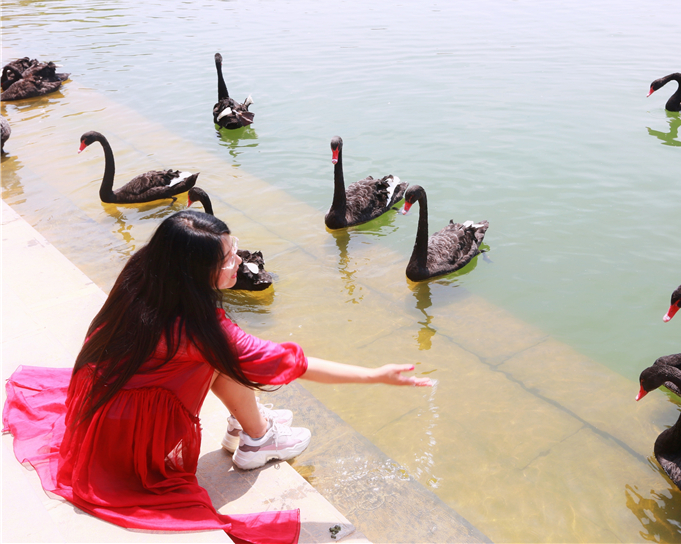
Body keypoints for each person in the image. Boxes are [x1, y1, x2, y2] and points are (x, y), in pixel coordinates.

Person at [2, 210, 433, 544]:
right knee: (225, 356)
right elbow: (291, 363)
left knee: (218, 356)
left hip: (102, 399)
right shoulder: (202, 329)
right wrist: (375, 375)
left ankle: (254, 428)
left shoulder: (145, 273)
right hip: (131, 435)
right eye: (228, 258)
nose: (238, 261)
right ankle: (258, 438)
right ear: (197, 272)